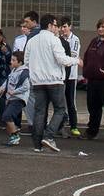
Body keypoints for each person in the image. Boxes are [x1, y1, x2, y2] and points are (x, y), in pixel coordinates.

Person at [25, 13, 79, 154]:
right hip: (54, 80)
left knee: (40, 111)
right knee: (60, 109)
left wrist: (35, 72)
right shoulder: (54, 40)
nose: (57, 28)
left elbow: (26, 62)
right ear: (49, 25)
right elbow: (62, 59)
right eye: (55, 25)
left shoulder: (32, 40)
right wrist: (76, 61)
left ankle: (37, 144)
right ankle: (49, 135)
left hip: (37, 82)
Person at [1, 51, 30, 146]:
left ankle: (15, 135)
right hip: (11, 98)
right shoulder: (14, 70)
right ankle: (13, 137)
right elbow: (8, 80)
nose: (11, 62)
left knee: (7, 116)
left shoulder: (24, 72)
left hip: (18, 99)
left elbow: (26, 86)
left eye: (13, 60)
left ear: (20, 62)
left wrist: (14, 92)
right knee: (6, 117)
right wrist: (2, 88)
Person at [59, 19, 82, 138]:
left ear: (70, 27)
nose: (63, 29)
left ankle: (74, 126)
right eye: (61, 27)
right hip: (61, 75)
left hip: (71, 76)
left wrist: (62, 57)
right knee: (60, 102)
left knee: (71, 102)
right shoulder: (58, 39)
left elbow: (72, 55)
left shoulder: (75, 39)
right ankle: (60, 126)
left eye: (65, 26)